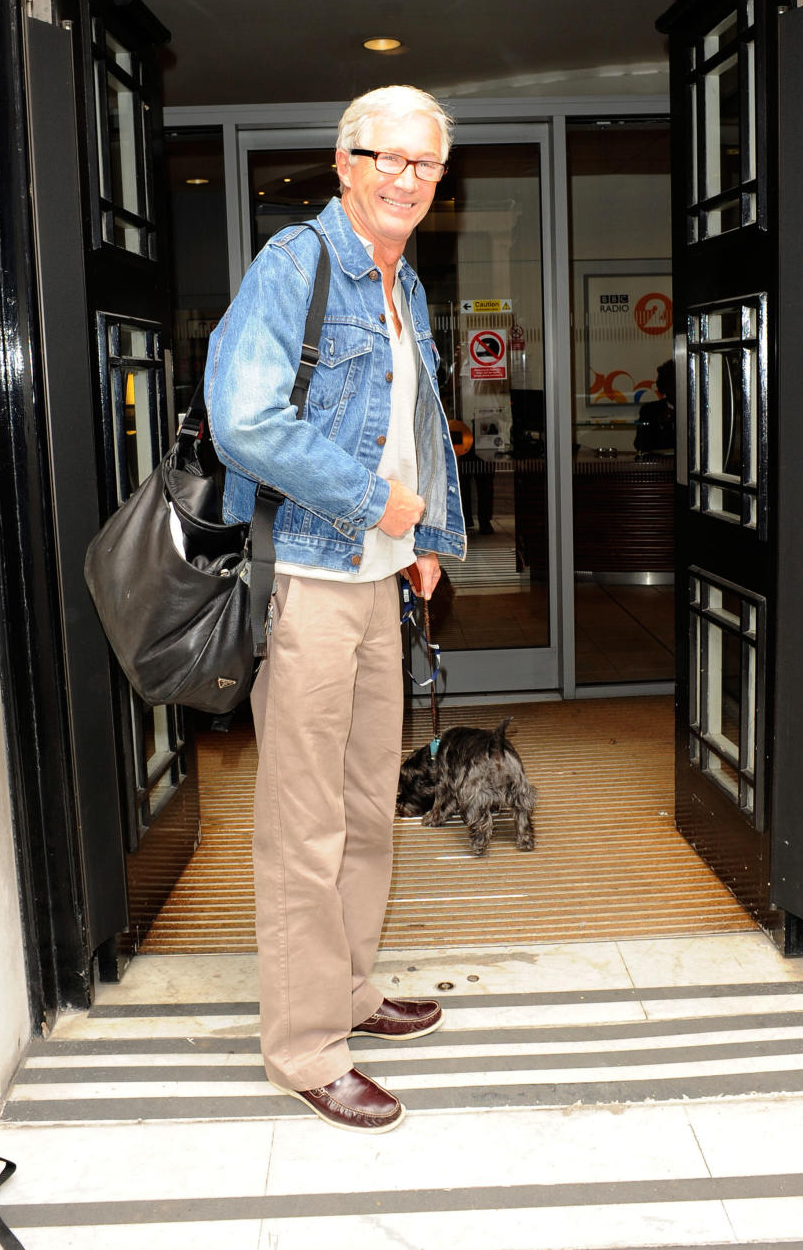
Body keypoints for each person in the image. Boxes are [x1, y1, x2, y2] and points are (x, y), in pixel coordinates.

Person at [205, 86, 466, 1133]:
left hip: (374, 581)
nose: (405, 178)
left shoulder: (407, 284)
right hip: (308, 582)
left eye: (425, 164)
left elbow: (419, 423)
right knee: (304, 826)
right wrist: (376, 505)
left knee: (367, 808)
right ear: (343, 163)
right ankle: (306, 1044)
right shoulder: (295, 265)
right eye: (386, 158)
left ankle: (352, 989)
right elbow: (244, 423)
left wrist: (422, 540)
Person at [634, 358, 676, 455]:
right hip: (659, 465)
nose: (676, 391)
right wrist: (660, 422)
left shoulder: (695, 409)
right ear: (663, 387)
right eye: (672, 386)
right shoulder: (649, 410)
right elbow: (640, 445)